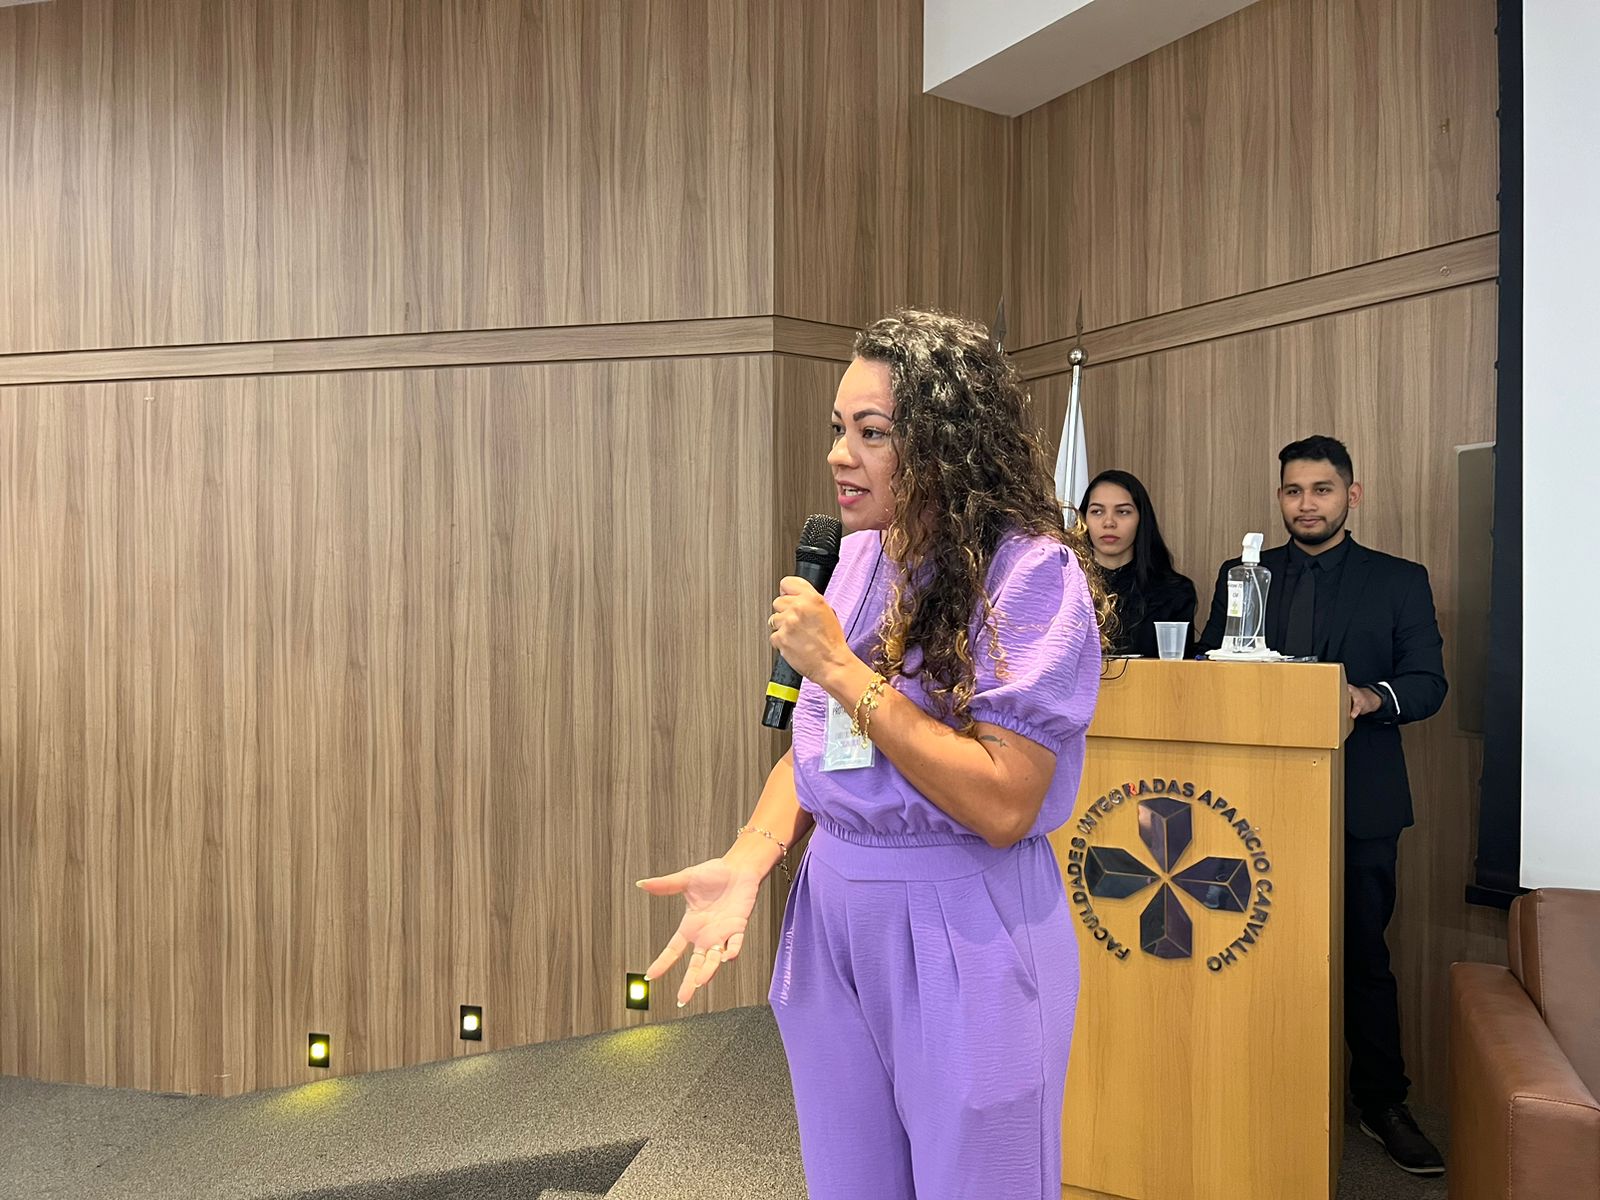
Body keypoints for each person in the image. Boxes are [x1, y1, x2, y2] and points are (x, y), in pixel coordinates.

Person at [637, 309, 1109, 1200]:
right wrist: (751, 857)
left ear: (948, 443)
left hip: (964, 921)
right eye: (837, 429)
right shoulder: (856, 560)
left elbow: (1006, 800)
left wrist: (844, 670)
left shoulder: (1030, 573)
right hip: (833, 919)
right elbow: (821, 755)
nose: (838, 455)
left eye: (872, 433)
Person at [1196, 435, 1447, 1178]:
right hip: (1250, 804)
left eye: (1321, 490)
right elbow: (1210, 666)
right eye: (1293, 491)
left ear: (1351, 495)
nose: (1306, 504)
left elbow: (1428, 683)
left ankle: (1382, 1102)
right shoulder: (1243, 574)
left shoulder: (1399, 579)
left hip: (1361, 803)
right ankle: (1257, 1089)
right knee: (1250, 952)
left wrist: (1368, 697)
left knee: (1363, 954)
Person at [1079, 468, 1196, 656]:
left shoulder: (1174, 592)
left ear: (1141, 519)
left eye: (1123, 512)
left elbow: (1178, 669)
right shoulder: (1066, 587)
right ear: (1083, 519)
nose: (1109, 522)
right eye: (1097, 511)